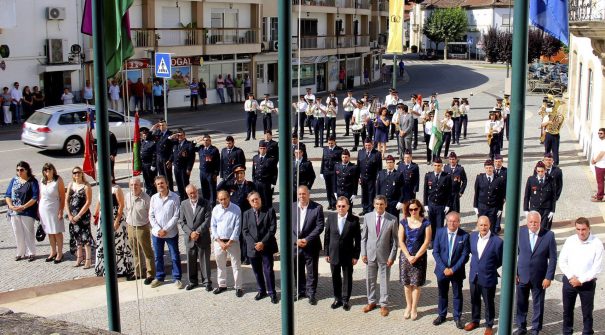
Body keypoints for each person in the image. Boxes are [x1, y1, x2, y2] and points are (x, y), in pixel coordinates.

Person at [558, 217, 604, 335]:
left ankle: (587, 332)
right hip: (570, 281)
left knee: (587, 312)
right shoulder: (570, 241)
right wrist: (571, 277)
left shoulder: (597, 244)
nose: (580, 232)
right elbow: (562, 261)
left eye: (583, 229)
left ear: (589, 228)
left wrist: (581, 280)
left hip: (587, 283)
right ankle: (567, 332)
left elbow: (596, 267)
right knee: (567, 310)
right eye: (578, 229)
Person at [514, 211, 557, 335]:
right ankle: (521, 327)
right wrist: (515, 273)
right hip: (521, 276)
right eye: (531, 222)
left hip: (539, 277)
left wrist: (548, 277)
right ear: (527, 222)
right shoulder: (520, 233)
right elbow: (513, 254)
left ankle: (535, 328)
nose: (533, 224)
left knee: (538, 304)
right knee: (521, 302)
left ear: (540, 222)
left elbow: (553, 258)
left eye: (536, 222)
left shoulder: (548, 235)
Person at [464, 216, 503, 335]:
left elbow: (500, 260)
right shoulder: (473, 236)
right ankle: (475, 320)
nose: (483, 227)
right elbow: (471, 252)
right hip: (474, 276)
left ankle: (489, 325)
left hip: (488, 277)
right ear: (477, 225)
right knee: (474, 300)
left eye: (485, 225)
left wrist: (489, 268)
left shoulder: (497, 241)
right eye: (481, 225)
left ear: (490, 225)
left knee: (488, 302)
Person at [361, 195, 399, 317]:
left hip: (385, 256)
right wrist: (363, 253)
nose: (379, 206)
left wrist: (392, 257)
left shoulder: (392, 219)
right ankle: (371, 302)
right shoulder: (367, 217)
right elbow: (364, 238)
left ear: (386, 205)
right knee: (370, 280)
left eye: (381, 204)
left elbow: (395, 241)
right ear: (373, 204)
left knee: (384, 281)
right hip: (370, 255)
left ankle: (384, 304)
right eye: (377, 204)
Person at [432, 211, 470, 330]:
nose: (452, 223)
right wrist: (444, 268)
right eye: (449, 221)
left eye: (454, 221)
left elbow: (465, 255)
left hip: (456, 272)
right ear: (446, 221)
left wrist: (453, 269)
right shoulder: (439, 232)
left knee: (457, 294)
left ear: (459, 222)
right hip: (442, 271)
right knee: (442, 294)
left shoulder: (464, 236)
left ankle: (457, 317)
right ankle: (441, 315)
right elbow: (435, 252)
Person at [324, 197, 361, 311]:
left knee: (347, 278)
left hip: (348, 255)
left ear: (348, 207)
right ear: (336, 207)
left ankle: (345, 300)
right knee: (335, 277)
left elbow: (358, 240)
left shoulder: (354, 220)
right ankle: (337, 298)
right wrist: (326, 253)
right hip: (333, 254)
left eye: (343, 206)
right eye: (339, 206)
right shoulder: (331, 218)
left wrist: (356, 256)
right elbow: (327, 237)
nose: (341, 208)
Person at [93, 181, 134, 279]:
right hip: (103, 218)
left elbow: (121, 205)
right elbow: (99, 203)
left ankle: (120, 268)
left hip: (115, 216)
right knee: (104, 243)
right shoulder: (101, 188)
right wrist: (95, 215)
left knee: (118, 243)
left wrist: (117, 221)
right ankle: (104, 268)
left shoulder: (116, 188)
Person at [242, 191, 279, 304]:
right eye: (252, 200)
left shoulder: (269, 211)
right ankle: (261, 290)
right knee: (257, 271)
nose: (255, 201)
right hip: (253, 248)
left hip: (266, 246)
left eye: (256, 199)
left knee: (268, 271)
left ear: (260, 199)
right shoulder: (247, 214)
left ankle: (272, 293)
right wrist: (254, 244)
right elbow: (245, 231)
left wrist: (262, 243)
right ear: (249, 202)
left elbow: (272, 229)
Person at [398, 199, 432, 320]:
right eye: (410, 209)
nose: (413, 211)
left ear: (420, 209)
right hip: (405, 257)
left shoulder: (426, 223)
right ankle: (408, 306)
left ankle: (414, 307)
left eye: (415, 209)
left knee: (416, 284)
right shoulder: (403, 222)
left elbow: (427, 241)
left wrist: (416, 256)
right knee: (407, 284)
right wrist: (408, 256)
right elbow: (401, 240)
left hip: (420, 257)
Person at [149, 176, 183, 289]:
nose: (160, 185)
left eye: (162, 183)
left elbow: (176, 215)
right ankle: (159, 277)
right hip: (157, 233)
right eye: (158, 184)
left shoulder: (175, 198)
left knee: (174, 256)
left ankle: (177, 278)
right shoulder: (153, 198)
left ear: (167, 183)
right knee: (158, 256)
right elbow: (151, 215)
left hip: (171, 233)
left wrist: (166, 229)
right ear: (155, 185)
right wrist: (158, 229)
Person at [217, 164, 256, 265]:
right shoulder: (231, 184)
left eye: (241, 173)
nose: (240, 176)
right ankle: (239, 257)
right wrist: (228, 177)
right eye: (237, 174)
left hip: (246, 214)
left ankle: (246, 257)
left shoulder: (250, 185)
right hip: (233, 214)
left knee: (245, 235)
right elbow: (219, 187)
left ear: (244, 174)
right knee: (236, 236)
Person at [293, 185, 325, 305]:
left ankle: (311, 293)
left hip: (311, 245)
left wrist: (306, 239)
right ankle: (300, 290)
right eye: (300, 194)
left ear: (308, 194)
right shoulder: (291, 207)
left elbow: (319, 226)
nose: (302, 196)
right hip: (295, 245)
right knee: (297, 269)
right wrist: (296, 240)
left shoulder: (317, 208)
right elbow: (287, 226)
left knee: (311, 271)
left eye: (304, 194)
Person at [179, 184, 213, 291]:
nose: (192, 195)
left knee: (205, 260)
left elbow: (207, 220)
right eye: (190, 193)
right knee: (191, 261)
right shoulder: (183, 204)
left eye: (194, 192)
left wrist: (197, 232)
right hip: (190, 238)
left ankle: (207, 281)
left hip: (202, 236)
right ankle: (192, 281)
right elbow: (182, 221)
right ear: (187, 194)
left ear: (197, 191)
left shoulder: (205, 203)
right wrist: (191, 233)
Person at [211, 190, 243, 297]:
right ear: (217, 200)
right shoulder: (215, 209)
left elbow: (237, 227)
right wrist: (219, 242)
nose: (223, 201)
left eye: (225, 198)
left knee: (236, 265)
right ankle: (222, 284)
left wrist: (229, 242)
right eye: (220, 199)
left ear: (229, 197)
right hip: (219, 242)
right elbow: (213, 226)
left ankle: (238, 287)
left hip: (232, 241)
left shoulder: (236, 209)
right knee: (220, 265)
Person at [5, 161, 39, 262]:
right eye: (17, 170)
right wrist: (11, 206)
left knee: (28, 233)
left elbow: (35, 197)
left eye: (21, 170)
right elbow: (7, 195)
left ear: (27, 170)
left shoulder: (32, 181)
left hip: (27, 211)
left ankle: (31, 252)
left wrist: (24, 206)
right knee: (17, 232)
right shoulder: (14, 180)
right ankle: (20, 252)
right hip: (14, 211)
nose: (19, 172)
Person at [124, 178, 155, 285]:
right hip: (130, 226)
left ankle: (150, 273)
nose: (134, 187)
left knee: (147, 251)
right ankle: (138, 273)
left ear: (140, 185)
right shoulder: (127, 196)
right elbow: (126, 210)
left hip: (142, 227)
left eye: (136, 185)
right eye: (131, 185)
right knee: (135, 251)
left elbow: (151, 214)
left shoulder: (146, 198)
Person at [66, 166, 94, 268]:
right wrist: (69, 214)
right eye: (74, 173)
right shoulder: (70, 185)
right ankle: (79, 257)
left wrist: (79, 215)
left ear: (82, 173)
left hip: (83, 215)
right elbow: (66, 201)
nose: (76, 175)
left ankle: (88, 259)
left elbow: (88, 202)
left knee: (85, 237)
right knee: (77, 237)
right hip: (72, 215)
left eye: (78, 172)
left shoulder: (86, 186)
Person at [39, 163, 66, 263]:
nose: (47, 172)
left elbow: (62, 196)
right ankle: (53, 251)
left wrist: (61, 210)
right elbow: (40, 195)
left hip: (54, 207)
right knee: (49, 232)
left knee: (56, 231)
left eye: (49, 170)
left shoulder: (58, 180)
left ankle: (59, 253)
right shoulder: (42, 180)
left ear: (53, 170)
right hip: (44, 208)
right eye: (45, 170)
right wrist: (39, 210)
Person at [423, 157, 452, 243]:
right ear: (433, 166)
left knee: (439, 226)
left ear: (442, 166)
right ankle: (431, 241)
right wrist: (425, 204)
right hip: (431, 204)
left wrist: (447, 205)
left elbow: (449, 192)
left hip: (441, 205)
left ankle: (438, 242)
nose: (437, 167)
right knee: (431, 224)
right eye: (435, 165)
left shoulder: (446, 177)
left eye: (439, 165)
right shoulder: (428, 175)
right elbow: (425, 191)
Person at [474, 159, 506, 234]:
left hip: (493, 208)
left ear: (493, 168)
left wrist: (500, 208)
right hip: (482, 207)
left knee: (492, 228)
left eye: (490, 167)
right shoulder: (479, 178)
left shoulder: (499, 179)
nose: (489, 169)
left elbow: (501, 195)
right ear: (485, 168)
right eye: (487, 168)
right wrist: (475, 206)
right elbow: (476, 192)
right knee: (482, 228)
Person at [523, 161, 557, 230]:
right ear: (536, 171)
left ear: (545, 170)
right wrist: (526, 209)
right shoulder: (531, 180)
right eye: (538, 171)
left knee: (544, 229)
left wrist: (552, 210)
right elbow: (527, 195)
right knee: (534, 228)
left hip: (546, 209)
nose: (540, 173)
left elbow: (553, 196)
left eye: (542, 171)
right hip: (534, 208)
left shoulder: (551, 179)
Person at [168, 128, 195, 201]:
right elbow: (173, 154)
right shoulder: (175, 143)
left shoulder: (189, 144)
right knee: (179, 184)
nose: (179, 137)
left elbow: (191, 158)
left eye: (181, 135)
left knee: (185, 184)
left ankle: (186, 199)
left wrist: (189, 168)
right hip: (177, 168)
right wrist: (170, 161)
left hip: (184, 168)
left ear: (184, 135)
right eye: (178, 135)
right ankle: (181, 199)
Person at [358, 138, 382, 215]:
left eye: (369, 145)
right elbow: (358, 165)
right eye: (366, 145)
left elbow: (379, 168)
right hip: (363, 177)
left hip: (372, 177)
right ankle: (364, 209)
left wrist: (377, 179)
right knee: (364, 193)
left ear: (372, 145)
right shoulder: (360, 152)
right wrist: (358, 177)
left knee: (371, 194)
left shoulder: (377, 154)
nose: (367, 147)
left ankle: (370, 210)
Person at [252, 141, 278, 210]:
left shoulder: (271, 159)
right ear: (258, 149)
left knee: (267, 201)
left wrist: (273, 183)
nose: (262, 150)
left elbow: (274, 172)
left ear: (266, 149)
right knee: (257, 200)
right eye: (261, 148)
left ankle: (268, 214)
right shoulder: (255, 158)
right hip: (257, 183)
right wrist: (254, 181)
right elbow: (253, 171)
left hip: (266, 183)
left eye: (264, 148)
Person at [196, 134, 220, 205]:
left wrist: (216, 173)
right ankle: (206, 203)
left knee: (212, 189)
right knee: (204, 188)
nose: (205, 142)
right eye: (204, 140)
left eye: (207, 140)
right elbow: (192, 147)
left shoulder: (214, 150)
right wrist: (196, 141)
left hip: (210, 173)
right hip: (202, 172)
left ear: (210, 141)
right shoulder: (201, 148)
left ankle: (212, 204)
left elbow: (217, 162)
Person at [334, 149, 360, 215]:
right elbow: (334, 179)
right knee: (340, 209)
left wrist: (354, 193)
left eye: (346, 157)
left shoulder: (353, 167)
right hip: (339, 191)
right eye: (343, 157)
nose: (344, 159)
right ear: (341, 157)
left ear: (349, 157)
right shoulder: (337, 166)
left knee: (348, 210)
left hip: (348, 192)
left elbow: (355, 181)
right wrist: (334, 191)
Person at [321, 136, 343, 210]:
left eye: (332, 143)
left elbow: (340, 162)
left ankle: (334, 203)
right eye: (329, 143)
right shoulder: (325, 149)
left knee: (334, 188)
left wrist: (340, 171)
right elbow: (323, 161)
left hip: (334, 172)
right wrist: (321, 172)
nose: (330, 144)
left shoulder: (339, 150)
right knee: (328, 188)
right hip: (327, 171)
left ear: (334, 142)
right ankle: (330, 203)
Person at [151, 120, 174, 190]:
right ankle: (163, 190)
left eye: (163, 125)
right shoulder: (157, 133)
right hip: (159, 158)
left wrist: (170, 160)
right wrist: (153, 128)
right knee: (161, 176)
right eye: (160, 125)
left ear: (166, 125)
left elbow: (173, 149)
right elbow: (149, 138)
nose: (161, 127)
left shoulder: (170, 134)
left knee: (168, 176)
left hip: (166, 158)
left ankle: (170, 190)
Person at [140, 128, 157, 195]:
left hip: (150, 164)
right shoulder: (143, 142)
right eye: (143, 134)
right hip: (144, 164)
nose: (144, 136)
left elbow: (154, 155)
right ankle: (148, 190)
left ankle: (153, 192)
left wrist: (153, 165)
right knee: (146, 179)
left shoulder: (152, 143)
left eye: (145, 134)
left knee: (151, 180)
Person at [591, 128, 605, 201]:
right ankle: (600, 194)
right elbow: (596, 151)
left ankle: (600, 197)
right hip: (599, 164)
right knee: (600, 181)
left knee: (600, 182)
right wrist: (593, 158)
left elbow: (602, 153)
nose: (599, 135)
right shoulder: (600, 141)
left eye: (601, 133)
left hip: (601, 165)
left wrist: (595, 161)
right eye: (598, 133)